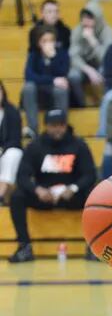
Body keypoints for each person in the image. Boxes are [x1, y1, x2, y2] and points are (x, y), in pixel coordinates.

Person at [7, 109, 96, 263]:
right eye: (53, 125)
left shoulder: (79, 145)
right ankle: (24, 247)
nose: (57, 129)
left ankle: (93, 246)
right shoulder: (35, 146)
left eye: (61, 125)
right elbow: (22, 176)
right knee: (17, 196)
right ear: (46, 126)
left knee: (94, 195)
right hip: (44, 196)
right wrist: (37, 190)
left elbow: (90, 174)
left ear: (66, 125)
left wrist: (73, 188)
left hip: (71, 196)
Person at [21, 27, 70, 138]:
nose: (48, 44)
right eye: (44, 41)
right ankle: (33, 129)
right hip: (38, 90)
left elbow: (63, 73)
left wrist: (53, 58)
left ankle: (61, 127)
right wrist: (52, 80)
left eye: (51, 40)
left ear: (55, 42)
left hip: (54, 90)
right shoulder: (33, 55)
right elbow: (29, 75)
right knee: (28, 87)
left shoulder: (62, 54)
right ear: (39, 43)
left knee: (61, 89)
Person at [68, 2, 112, 108]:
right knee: (73, 75)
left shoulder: (107, 32)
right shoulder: (77, 31)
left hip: (100, 65)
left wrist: (93, 41)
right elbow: (73, 56)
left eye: (90, 19)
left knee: (105, 70)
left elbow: (108, 59)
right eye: (84, 18)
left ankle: (106, 104)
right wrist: (88, 70)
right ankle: (81, 105)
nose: (86, 22)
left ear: (97, 19)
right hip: (83, 67)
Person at [0, 81, 23, 203]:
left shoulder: (12, 111)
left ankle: (2, 192)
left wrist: (2, 150)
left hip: (7, 149)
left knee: (13, 154)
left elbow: (15, 139)